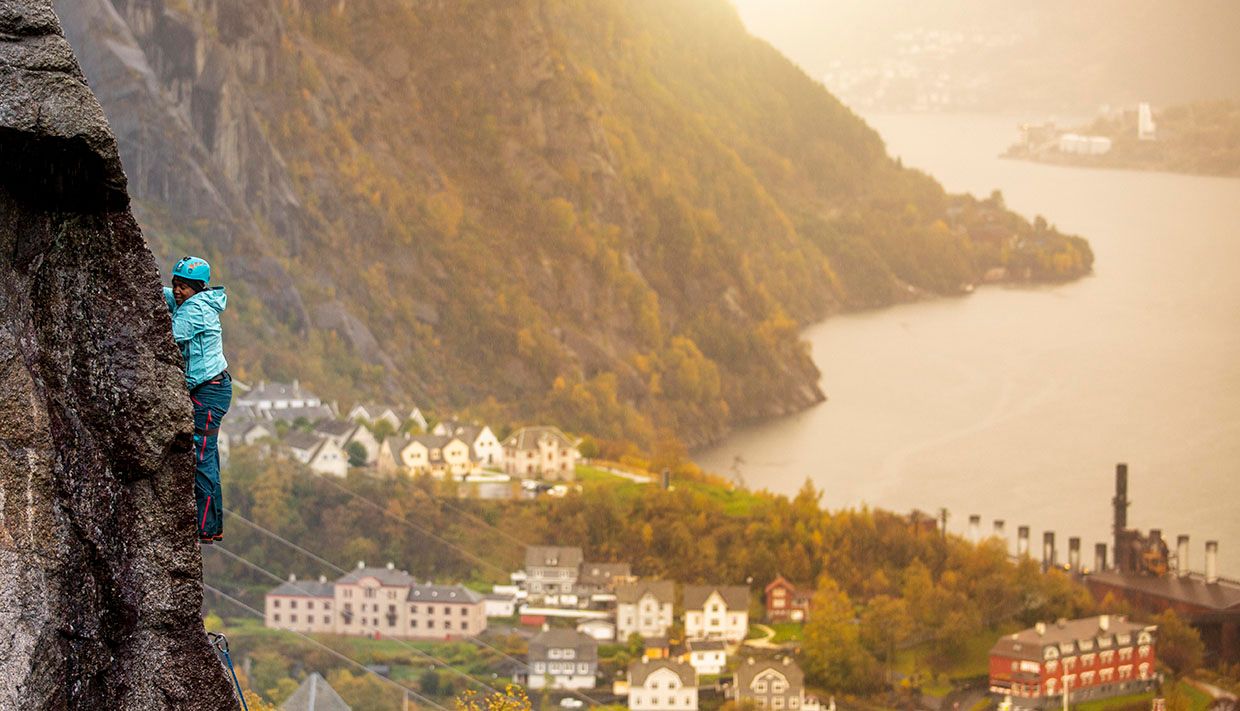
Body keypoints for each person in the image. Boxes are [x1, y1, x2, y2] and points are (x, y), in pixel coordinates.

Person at [164, 256, 231, 545]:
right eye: (176, 284)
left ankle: (204, 527)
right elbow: (165, 297)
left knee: (201, 457)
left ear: (199, 288)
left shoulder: (196, 311)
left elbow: (170, 335)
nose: (178, 291)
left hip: (208, 391)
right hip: (211, 388)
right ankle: (211, 525)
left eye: (184, 287)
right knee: (208, 456)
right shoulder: (194, 302)